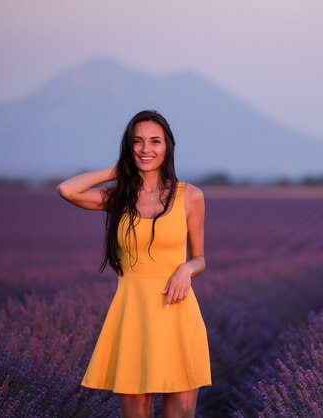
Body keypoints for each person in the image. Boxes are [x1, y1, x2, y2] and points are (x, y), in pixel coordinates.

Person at [57, 109, 211, 418]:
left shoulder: (190, 196)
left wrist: (186, 269)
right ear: (129, 147)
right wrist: (119, 170)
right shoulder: (118, 199)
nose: (145, 149)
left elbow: (200, 258)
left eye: (155, 141)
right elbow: (67, 190)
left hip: (177, 313)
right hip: (132, 317)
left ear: (168, 147)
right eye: (137, 142)